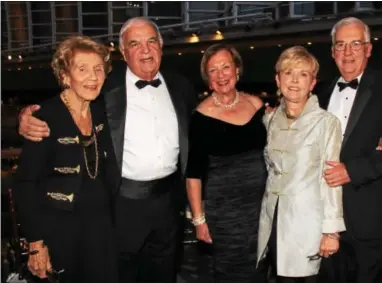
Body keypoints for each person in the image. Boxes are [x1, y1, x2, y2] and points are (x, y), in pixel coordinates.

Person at [17, 17, 197, 283]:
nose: (145, 50)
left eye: (151, 42)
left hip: (168, 205)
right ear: (123, 52)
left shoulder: (182, 87)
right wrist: (25, 116)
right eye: (134, 44)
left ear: (161, 45)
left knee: (164, 275)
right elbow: (63, 106)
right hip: (120, 207)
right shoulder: (106, 88)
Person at [13, 35, 118, 283]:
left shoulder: (102, 112)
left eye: (98, 69)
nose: (93, 77)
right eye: (82, 69)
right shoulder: (44, 117)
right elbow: (25, 184)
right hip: (61, 231)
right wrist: (36, 244)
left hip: (102, 230)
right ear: (65, 76)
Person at [257, 46, 346, 283]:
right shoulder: (270, 120)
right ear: (278, 79)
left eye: (303, 74)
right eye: (288, 73)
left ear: (313, 82)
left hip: (309, 224)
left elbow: (331, 179)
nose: (294, 80)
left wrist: (331, 231)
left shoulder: (327, 123)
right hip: (274, 220)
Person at [186, 44, 267, 283]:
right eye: (213, 70)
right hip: (224, 218)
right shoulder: (201, 117)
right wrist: (199, 221)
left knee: (260, 273)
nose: (221, 75)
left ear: (237, 70)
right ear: (207, 79)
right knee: (230, 274)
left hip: (260, 212)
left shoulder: (257, 106)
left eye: (225, 67)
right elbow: (193, 174)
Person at [319, 17, 382, 283]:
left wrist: (353, 171)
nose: (347, 52)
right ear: (332, 51)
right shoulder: (318, 94)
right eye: (341, 45)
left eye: (355, 44)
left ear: (368, 48)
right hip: (325, 223)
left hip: (370, 218)